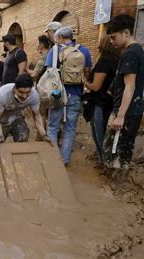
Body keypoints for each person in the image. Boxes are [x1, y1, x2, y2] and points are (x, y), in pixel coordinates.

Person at [103, 14, 144, 181]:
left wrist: (120, 115)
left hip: (125, 111)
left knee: (114, 148)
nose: (112, 42)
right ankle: (119, 181)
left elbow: (130, 85)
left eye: (114, 37)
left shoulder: (130, 54)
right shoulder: (138, 51)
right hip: (133, 108)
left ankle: (114, 183)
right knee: (124, 147)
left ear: (126, 33)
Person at [44, 26, 92, 166]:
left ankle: (52, 160)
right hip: (75, 94)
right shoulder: (84, 50)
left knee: (52, 127)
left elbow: (49, 74)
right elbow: (87, 73)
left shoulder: (54, 51)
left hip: (57, 94)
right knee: (70, 129)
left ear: (59, 38)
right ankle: (64, 160)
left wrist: (54, 93)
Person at [82, 35, 120, 167]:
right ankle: (103, 161)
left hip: (100, 103)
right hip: (109, 103)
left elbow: (96, 86)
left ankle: (104, 162)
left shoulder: (104, 61)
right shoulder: (117, 60)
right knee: (103, 133)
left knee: (99, 133)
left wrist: (85, 82)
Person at [0, 74, 51, 146]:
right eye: (21, 92)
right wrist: (0, 136)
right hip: (0, 116)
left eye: (27, 92)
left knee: (23, 137)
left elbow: (37, 116)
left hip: (16, 115)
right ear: (14, 88)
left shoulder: (34, 95)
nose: (24, 96)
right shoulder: (3, 94)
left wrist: (44, 135)